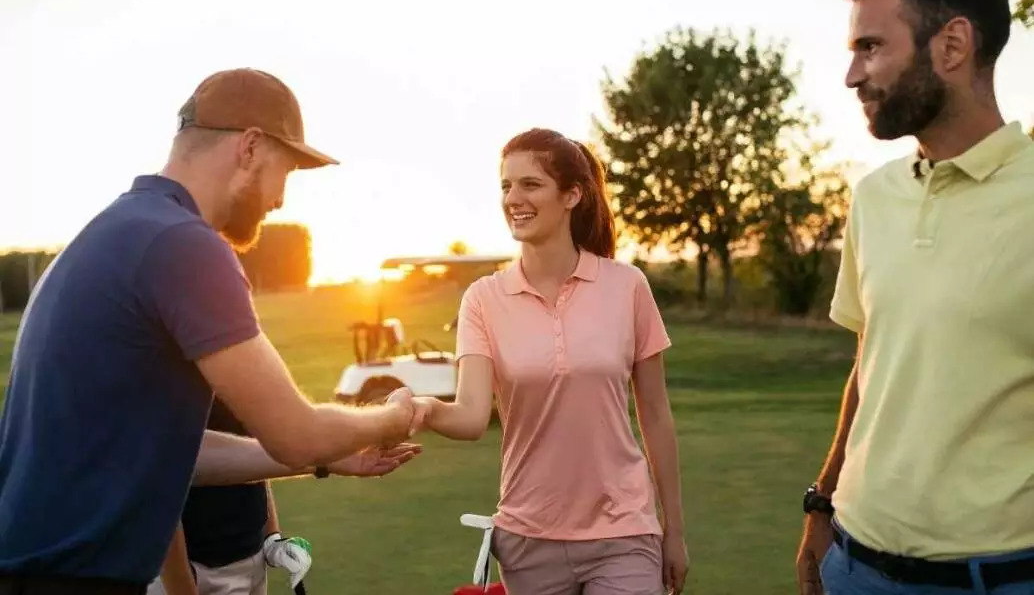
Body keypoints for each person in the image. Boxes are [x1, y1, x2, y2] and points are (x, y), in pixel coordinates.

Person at [0, 68, 426, 595]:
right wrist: (391, 416)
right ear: (250, 149)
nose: (281, 201)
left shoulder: (123, 229)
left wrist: (327, 458)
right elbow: (295, 430)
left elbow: (177, 452)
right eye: (285, 172)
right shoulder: (183, 243)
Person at [795, 0, 1034, 595]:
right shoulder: (874, 198)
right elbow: (872, 360)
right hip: (852, 565)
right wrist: (823, 500)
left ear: (951, 44)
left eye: (871, 47)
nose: (851, 74)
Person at [399, 128, 689, 595]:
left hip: (624, 532)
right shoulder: (483, 299)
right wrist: (425, 408)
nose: (513, 198)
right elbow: (472, 416)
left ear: (572, 194)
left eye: (530, 184)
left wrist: (674, 531)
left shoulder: (627, 286)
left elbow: (655, 415)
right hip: (528, 538)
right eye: (506, 186)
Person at [150, 398, 423, 595]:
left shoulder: (233, 346)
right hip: (183, 573)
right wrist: (392, 417)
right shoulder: (157, 351)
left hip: (249, 561)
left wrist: (272, 539)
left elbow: (256, 444)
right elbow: (159, 471)